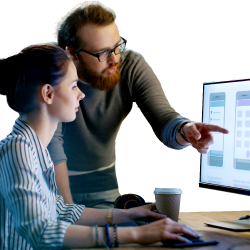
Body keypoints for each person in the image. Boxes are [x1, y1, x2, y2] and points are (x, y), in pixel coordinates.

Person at [0, 43, 200, 249]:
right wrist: (137, 233)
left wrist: (131, 214)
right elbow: (41, 231)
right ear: (48, 94)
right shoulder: (18, 150)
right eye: (73, 86)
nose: (81, 94)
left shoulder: (34, 148)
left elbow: (60, 211)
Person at [47, 0, 229, 208]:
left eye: (118, 46)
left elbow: (164, 119)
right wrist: (69, 212)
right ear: (71, 53)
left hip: (103, 190)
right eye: (102, 53)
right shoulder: (46, 67)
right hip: (48, 190)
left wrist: (185, 129)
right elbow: (53, 146)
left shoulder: (131, 64)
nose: (115, 59)